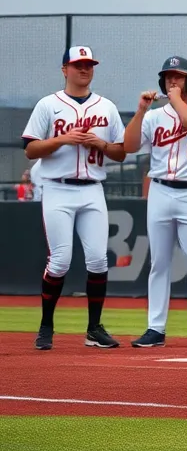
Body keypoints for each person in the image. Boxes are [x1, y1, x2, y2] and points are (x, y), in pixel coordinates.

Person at [22, 46, 127, 351]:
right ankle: (46, 326)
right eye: (78, 65)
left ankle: (94, 329)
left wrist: (102, 144)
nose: (84, 69)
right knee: (60, 261)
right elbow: (30, 149)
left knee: (97, 259)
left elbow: (120, 152)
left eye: (89, 65)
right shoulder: (48, 105)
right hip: (57, 188)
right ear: (64, 69)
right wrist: (61, 140)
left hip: (93, 188)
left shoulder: (106, 106)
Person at [123, 56, 187, 348]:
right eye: (167, 77)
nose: (171, 82)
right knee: (159, 263)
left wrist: (176, 98)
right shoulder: (154, 116)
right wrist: (141, 110)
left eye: (178, 77)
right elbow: (128, 147)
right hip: (161, 190)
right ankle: (156, 328)